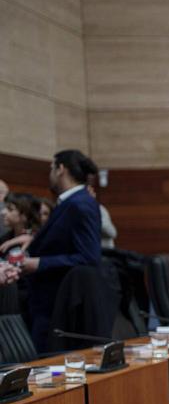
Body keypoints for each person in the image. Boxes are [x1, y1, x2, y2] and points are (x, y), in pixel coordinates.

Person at [0, 150, 101, 351]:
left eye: (51, 168)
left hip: (59, 304)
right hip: (47, 302)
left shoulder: (79, 204)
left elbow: (89, 257)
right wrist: (34, 239)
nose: (50, 174)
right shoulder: (70, 202)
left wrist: (39, 263)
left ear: (61, 169)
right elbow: (62, 240)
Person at [85, 185, 118, 249]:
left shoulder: (99, 209)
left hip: (104, 250)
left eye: (92, 192)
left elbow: (112, 233)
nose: (93, 194)